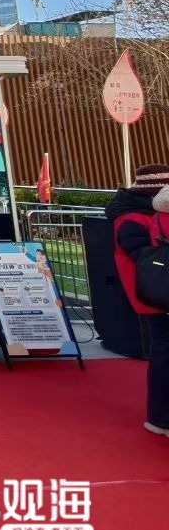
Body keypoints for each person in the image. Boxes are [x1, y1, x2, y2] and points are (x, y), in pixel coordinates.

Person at [105, 163, 169, 438]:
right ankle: (161, 418)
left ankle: (160, 418)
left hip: (153, 292)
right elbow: (138, 253)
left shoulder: (135, 214)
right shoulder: (134, 217)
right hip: (155, 294)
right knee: (164, 353)